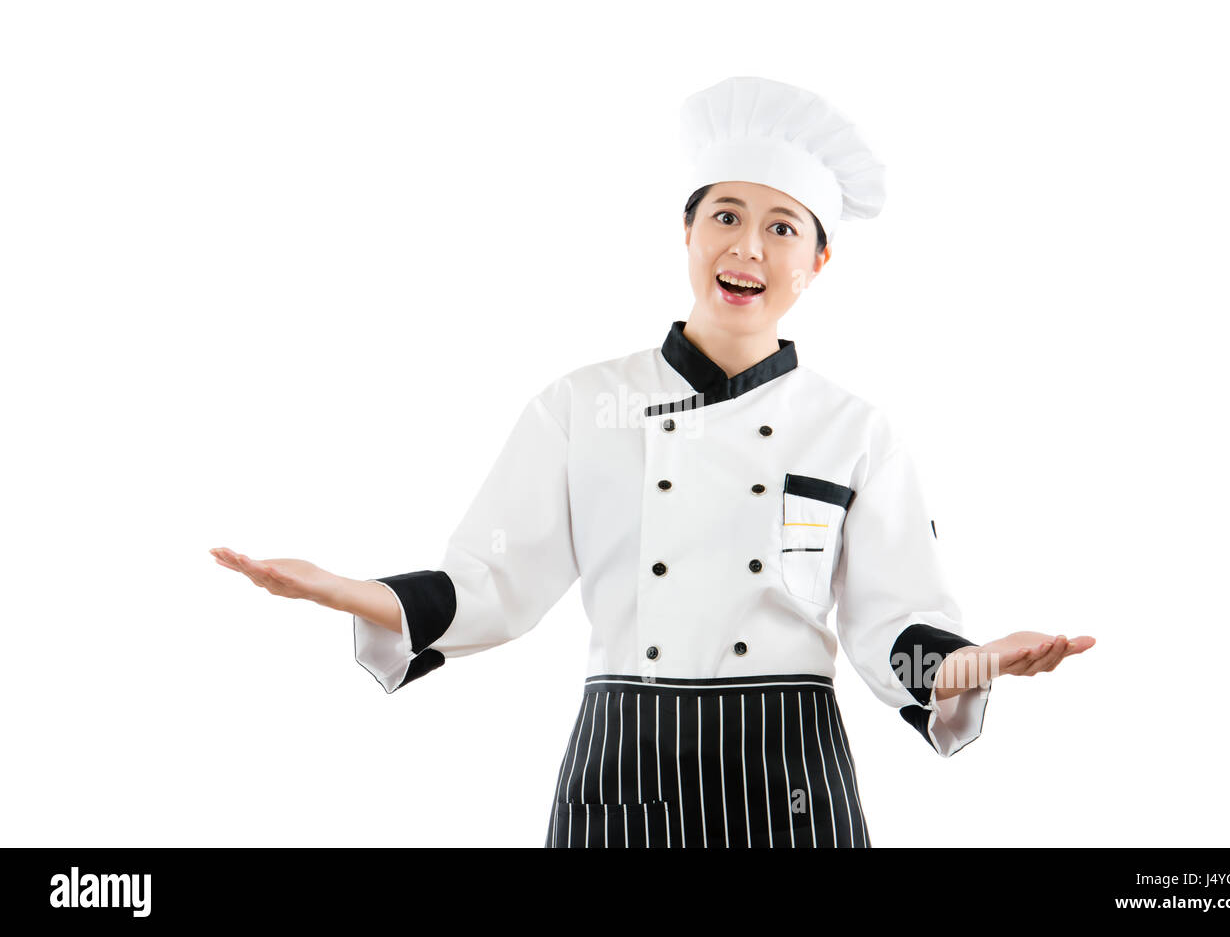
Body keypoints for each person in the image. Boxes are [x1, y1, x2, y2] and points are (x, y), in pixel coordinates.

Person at [211, 76, 1095, 848]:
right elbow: (485, 582)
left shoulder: (855, 430)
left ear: (818, 260)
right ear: (685, 231)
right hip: (620, 770)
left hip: (787, 774)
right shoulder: (580, 406)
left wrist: (968, 664)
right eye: (725, 216)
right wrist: (347, 589)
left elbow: (894, 627)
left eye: (782, 226)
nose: (748, 247)